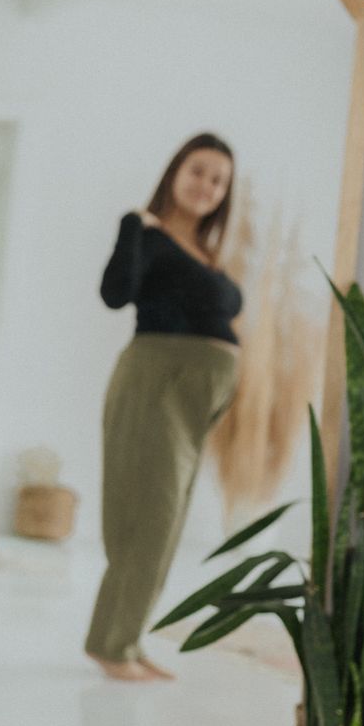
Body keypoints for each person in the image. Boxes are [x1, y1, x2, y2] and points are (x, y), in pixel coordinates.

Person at [84, 132, 243, 682]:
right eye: (199, 171)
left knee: (168, 523)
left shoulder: (208, 251)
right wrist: (133, 225)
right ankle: (110, 644)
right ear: (176, 171)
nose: (207, 186)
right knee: (147, 520)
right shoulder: (148, 234)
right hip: (157, 387)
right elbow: (113, 294)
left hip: (194, 400)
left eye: (219, 180)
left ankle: (125, 640)